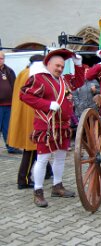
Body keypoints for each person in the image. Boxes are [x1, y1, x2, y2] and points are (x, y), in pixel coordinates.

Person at [20, 49, 85, 207]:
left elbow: (79, 81)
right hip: (46, 125)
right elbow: (24, 95)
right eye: (57, 65)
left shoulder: (64, 80)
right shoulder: (39, 79)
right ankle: (38, 191)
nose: (60, 69)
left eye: (62, 66)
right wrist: (47, 104)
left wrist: (78, 65)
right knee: (42, 159)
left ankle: (57, 186)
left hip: (62, 126)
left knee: (61, 157)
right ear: (48, 64)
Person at [7, 55, 53, 189]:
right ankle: (23, 179)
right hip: (32, 115)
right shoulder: (34, 75)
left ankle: (47, 172)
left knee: (40, 146)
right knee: (32, 148)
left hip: (25, 114)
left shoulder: (23, 72)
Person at [0, 51, 22, 154]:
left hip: (8, 104)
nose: (1, 60)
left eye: (2, 58)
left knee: (8, 128)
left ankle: (11, 147)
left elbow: (15, 85)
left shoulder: (8, 71)